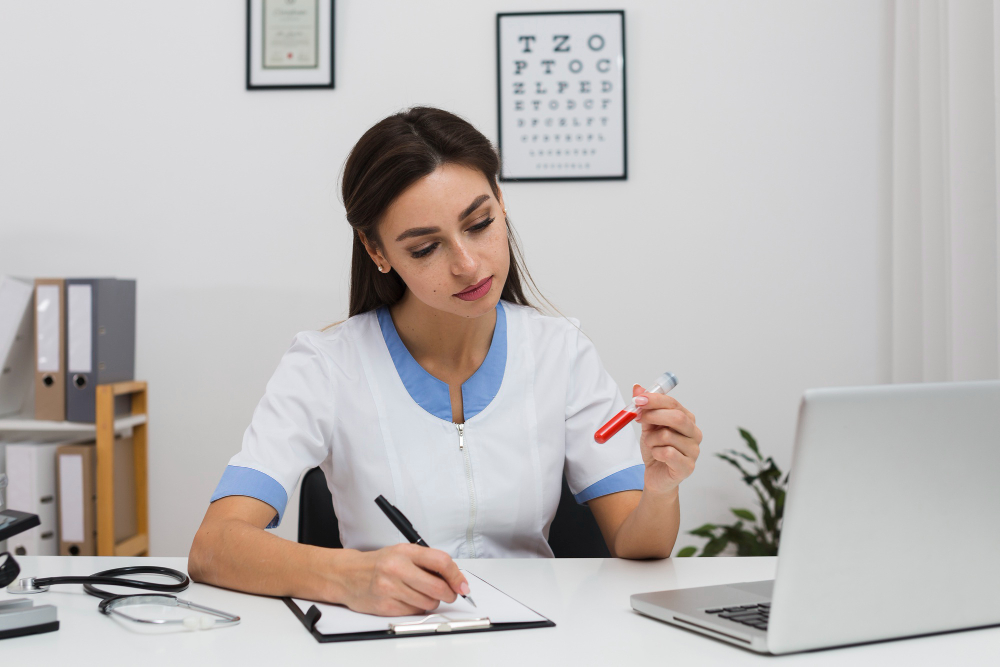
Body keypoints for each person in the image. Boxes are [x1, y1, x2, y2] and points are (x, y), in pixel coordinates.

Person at [188, 107, 702, 617]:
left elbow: (639, 546)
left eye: (480, 224)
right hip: (386, 639)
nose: (467, 264)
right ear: (377, 249)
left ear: (501, 203)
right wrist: (351, 576)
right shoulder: (325, 365)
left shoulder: (559, 351)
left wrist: (660, 491)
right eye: (427, 247)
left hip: (533, 639)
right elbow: (214, 546)